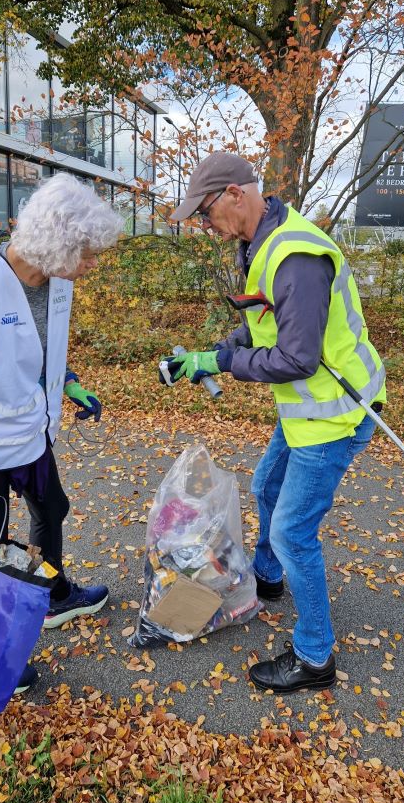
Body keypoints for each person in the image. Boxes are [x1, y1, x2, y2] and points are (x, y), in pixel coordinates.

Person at [161, 152, 386, 695]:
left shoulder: (296, 257)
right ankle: (270, 578)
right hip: (305, 412)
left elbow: (296, 358)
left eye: (207, 212)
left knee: (292, 531)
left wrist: (225, 364)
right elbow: (260, 324)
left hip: (336, 415)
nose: (207, 225)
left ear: (237, 194)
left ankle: (314, 657)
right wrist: (214, 352)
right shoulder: (259, 243)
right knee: (266, 485)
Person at [0, 172, 122, 693]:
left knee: (51, 508)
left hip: (28, 431)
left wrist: (69, 384)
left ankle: (53, 595)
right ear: (57, 243)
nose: (92, 264)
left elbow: (38, 351)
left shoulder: (54, 283)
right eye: (87, 253)